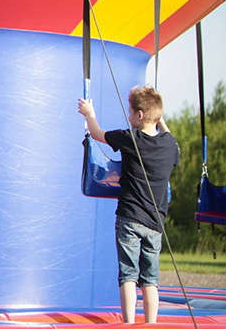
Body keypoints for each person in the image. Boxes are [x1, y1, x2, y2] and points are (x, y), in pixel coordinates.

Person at [78, 86, 180, 324]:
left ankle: (129, 323)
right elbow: (172, 142)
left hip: (130, 218)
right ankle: (151, 323)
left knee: (128, 276)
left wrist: (89, 114)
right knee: (150, 279)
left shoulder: (130, 137)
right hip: (155, 224)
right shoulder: (168, 145)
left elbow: (96, 134)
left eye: (131, 111)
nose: (129, 115)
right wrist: (160, 118)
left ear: (140, 115)